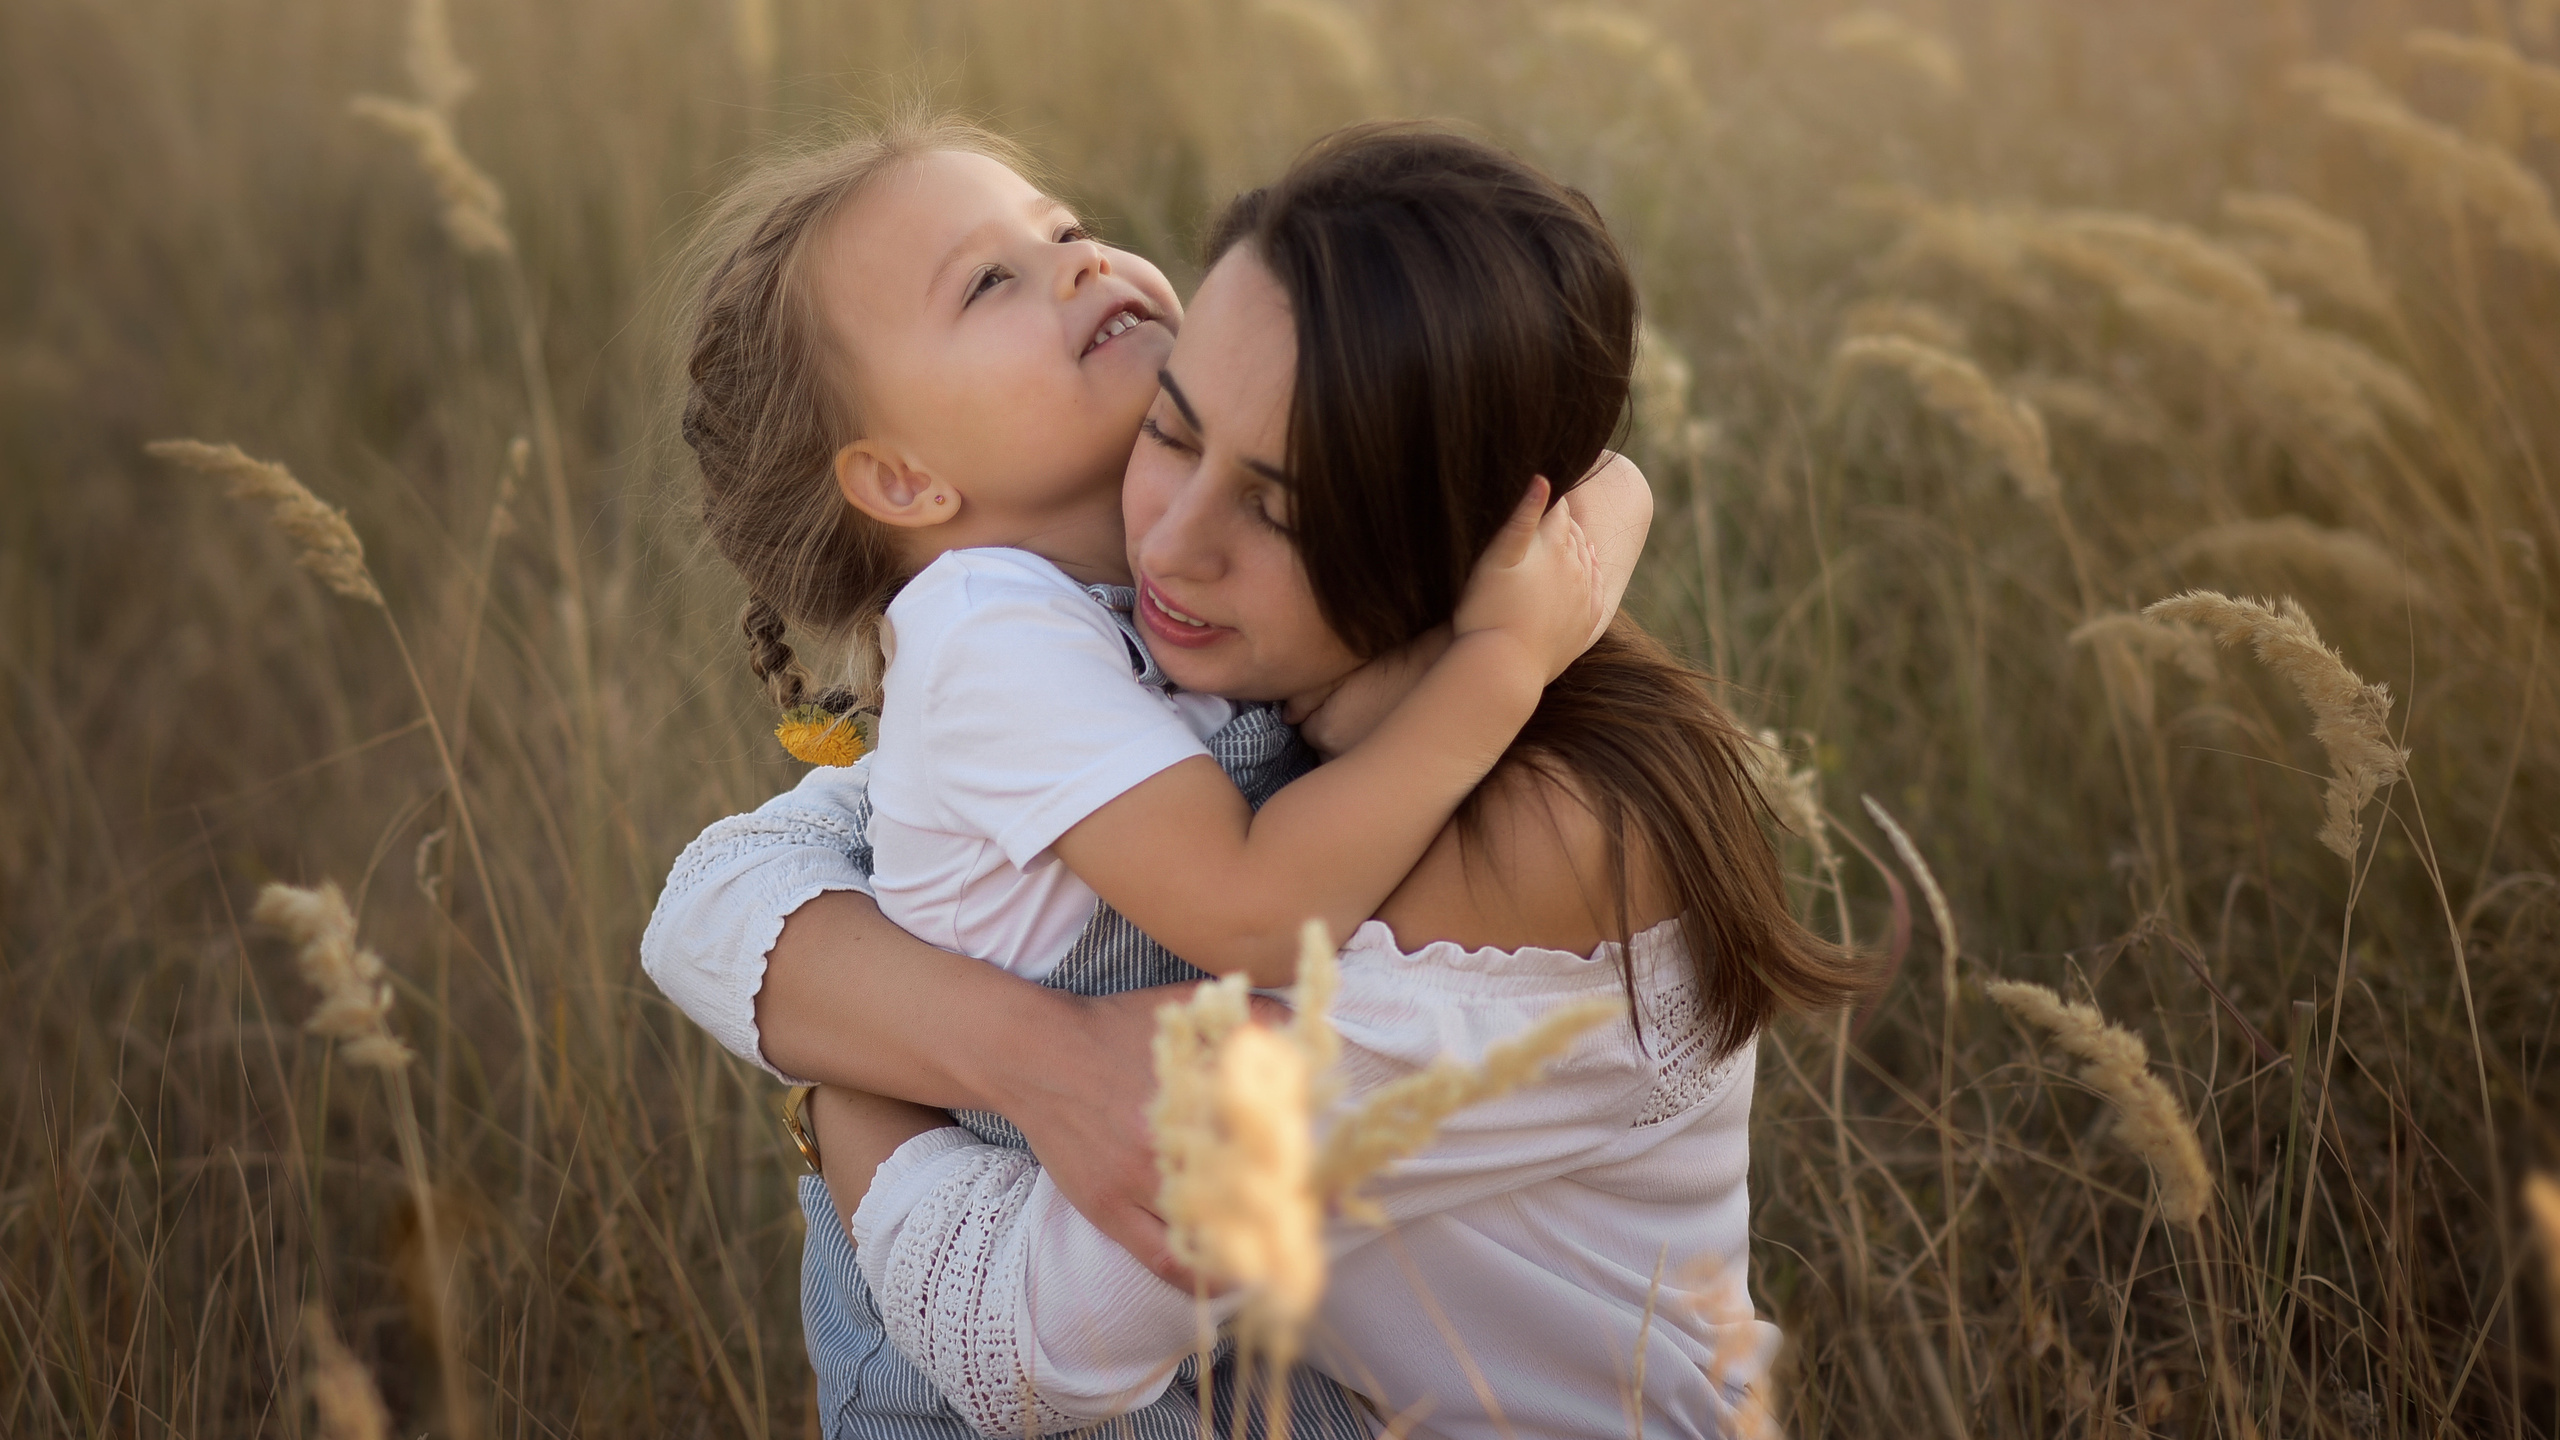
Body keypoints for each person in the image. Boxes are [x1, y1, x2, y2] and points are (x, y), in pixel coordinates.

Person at [648, 120, 1870, 1439]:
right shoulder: (1082, 647)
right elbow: (717, 895)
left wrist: (853, 1096)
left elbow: (1033, 1340)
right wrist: (1025, 1051)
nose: (1174, 543)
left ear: (1461, 523)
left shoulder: (1539, 834)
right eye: (1170, 436)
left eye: (1277, 505)